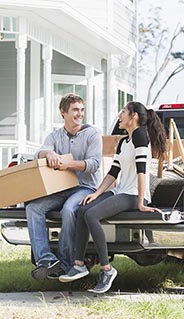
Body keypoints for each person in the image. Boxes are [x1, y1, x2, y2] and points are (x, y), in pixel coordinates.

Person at [59, 101, 167, 293]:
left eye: (124, 112)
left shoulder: (141, 136)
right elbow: (113, 172)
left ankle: (106, 269)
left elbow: (142, 171)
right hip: (121, 191)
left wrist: (141, 202)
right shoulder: (124, 141)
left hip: (134, 194)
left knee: (92, 215)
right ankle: (79, 264)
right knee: (83, 209)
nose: (120, 115)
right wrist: (96, 193)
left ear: (134, 117)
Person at [27, 93, 102, 280]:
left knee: (69, 210)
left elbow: (94, 164)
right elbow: (39, 152)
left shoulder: (92, 134)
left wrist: (67, 164)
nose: (80, 114)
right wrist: (49, 152)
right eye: (75, 110)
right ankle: (46, 260)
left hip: (86, 187)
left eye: (82, 110)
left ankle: (66, 264)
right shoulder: (55, 136)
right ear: (63, 112)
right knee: (33, 208)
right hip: (61, 189)